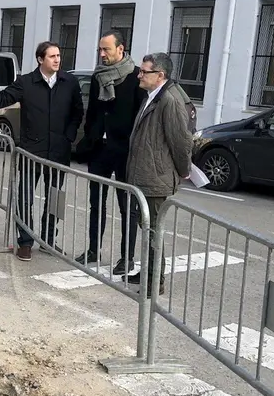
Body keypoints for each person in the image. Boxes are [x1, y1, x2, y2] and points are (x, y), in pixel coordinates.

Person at [0, 41, 84, 262]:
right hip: (31, 152)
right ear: (40, 59)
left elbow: (77, 112)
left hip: (58, 152)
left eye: (58, 56)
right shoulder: (26, 82)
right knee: (25, 198)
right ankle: (25, 242)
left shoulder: (69, 82)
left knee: (55, 199)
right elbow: (0, 99)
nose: (57, 60)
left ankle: (47, 239)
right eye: (52, 56)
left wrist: (69, 137)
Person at [75, 31, 147, 274]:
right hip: (100, 150)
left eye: (106, 49)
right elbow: (93, 110)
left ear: (121, 49)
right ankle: (94, 249)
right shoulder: (98, 77)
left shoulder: (136, 77)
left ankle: (127, 257)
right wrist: (91, 134)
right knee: (97, 203)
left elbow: (141, 116)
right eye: (100, 50)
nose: (102, 54)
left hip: (125, 151)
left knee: (127, 206)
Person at [126, 53, 193, 295]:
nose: (140, 75)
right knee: (148, 228)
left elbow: (181, 142)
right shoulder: (152, 96)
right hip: (144, 175)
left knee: (154, 230)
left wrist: (183, 171)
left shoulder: (169, 101)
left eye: (145, 72)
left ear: (160, 75)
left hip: (156, 178)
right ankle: (149, 274)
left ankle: (155, 282)